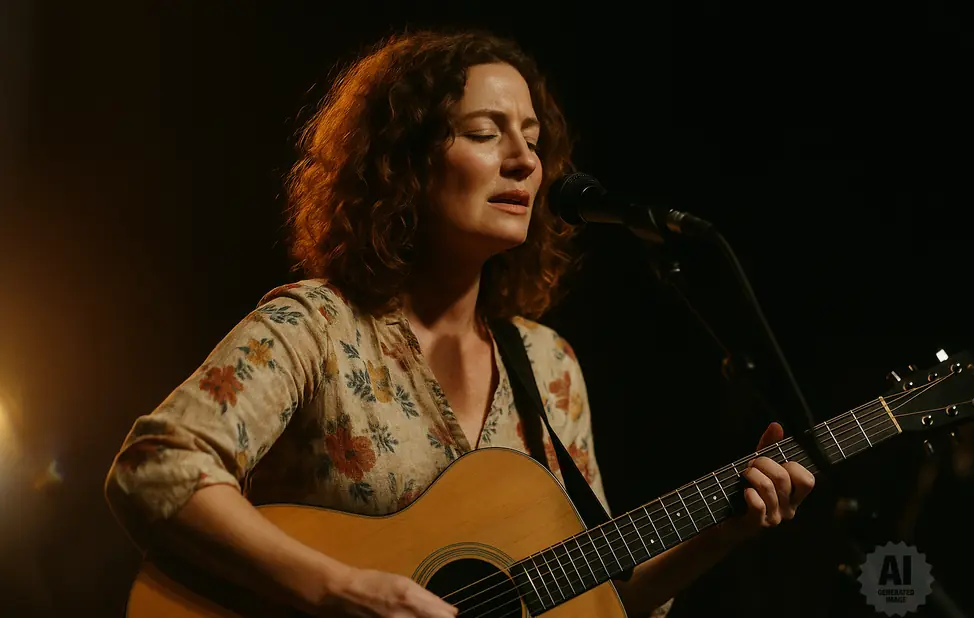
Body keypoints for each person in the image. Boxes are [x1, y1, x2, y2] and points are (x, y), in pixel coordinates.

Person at [104, 29, 815, 618]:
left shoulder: (549, 366)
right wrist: (337, 587)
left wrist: (722, 532)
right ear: (403, 164)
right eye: (484, 132)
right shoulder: (316, 326)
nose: (524, 160)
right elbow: (155, 469)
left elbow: (603, 600)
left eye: (534, 140)